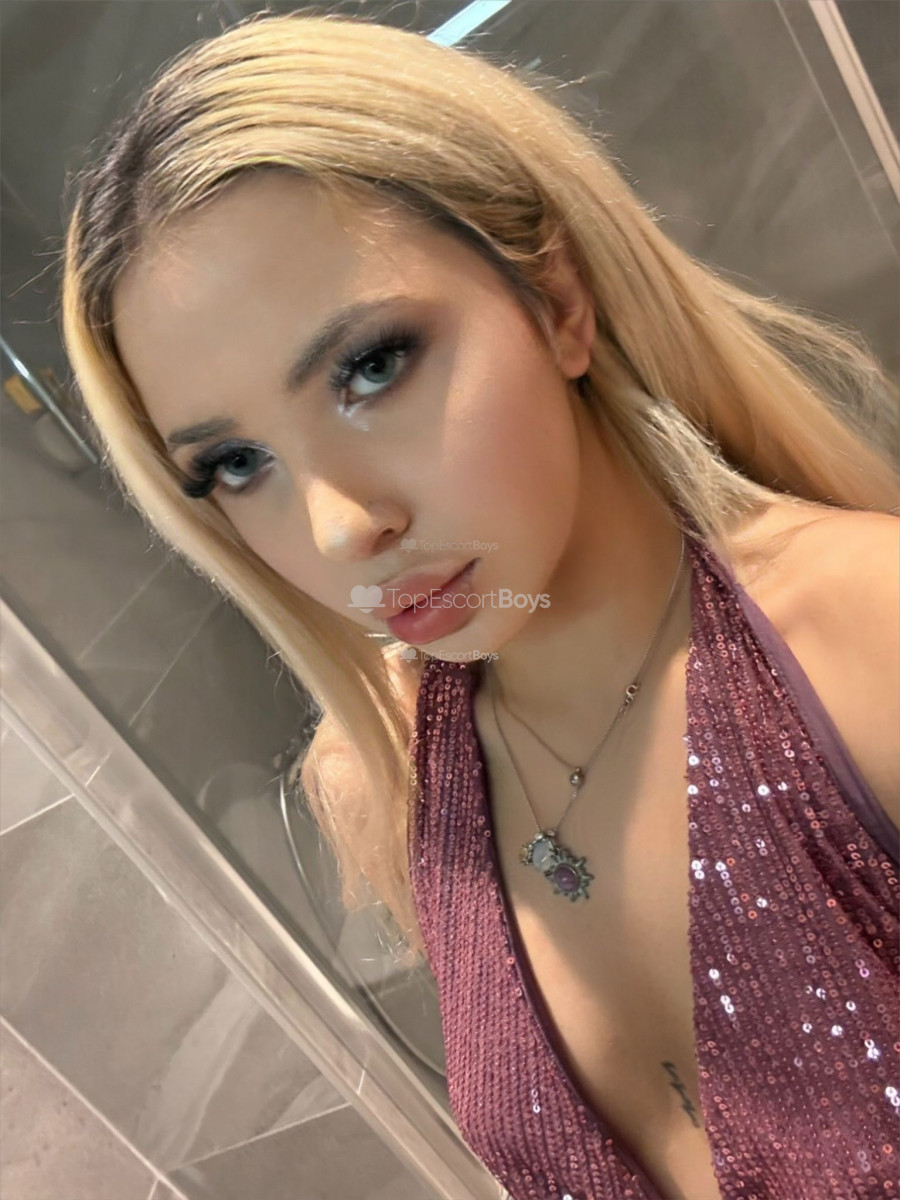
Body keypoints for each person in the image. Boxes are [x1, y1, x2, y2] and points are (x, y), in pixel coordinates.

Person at [59, 12, 898, 1200]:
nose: (339, 528)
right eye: (237, 465)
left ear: (556, 299)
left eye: (371, 367)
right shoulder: (389, 778)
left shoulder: (867, 639)